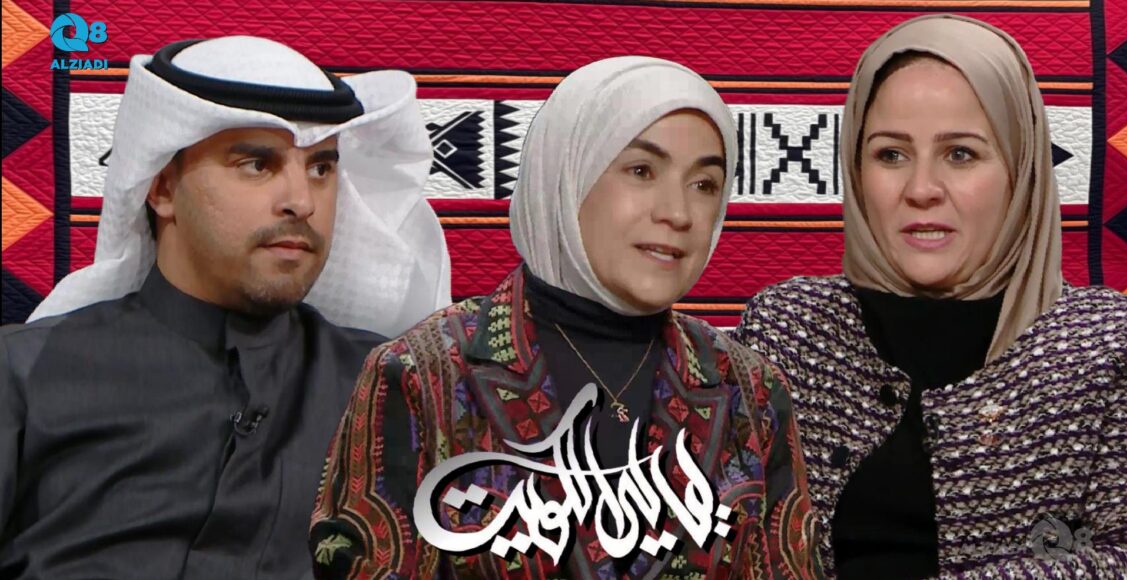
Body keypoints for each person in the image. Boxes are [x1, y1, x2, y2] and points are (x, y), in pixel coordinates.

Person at [309, 56, 821, 578]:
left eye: (704, 184)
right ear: (566, 174)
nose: (678, 212)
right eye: (641, 171)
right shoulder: (421, 372)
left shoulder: (749, 391)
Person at [0, 36, 450, 578]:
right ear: (163, 189)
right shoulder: (22, 376)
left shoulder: (393, 393)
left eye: (321, 169)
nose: (302, 201)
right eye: (257, 164)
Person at [732, 14, 1127, 578]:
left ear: (1021, 169)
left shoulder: (1106, 345)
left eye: (960, 154)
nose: (921, 190)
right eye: (891, 155)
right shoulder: (787, 329)